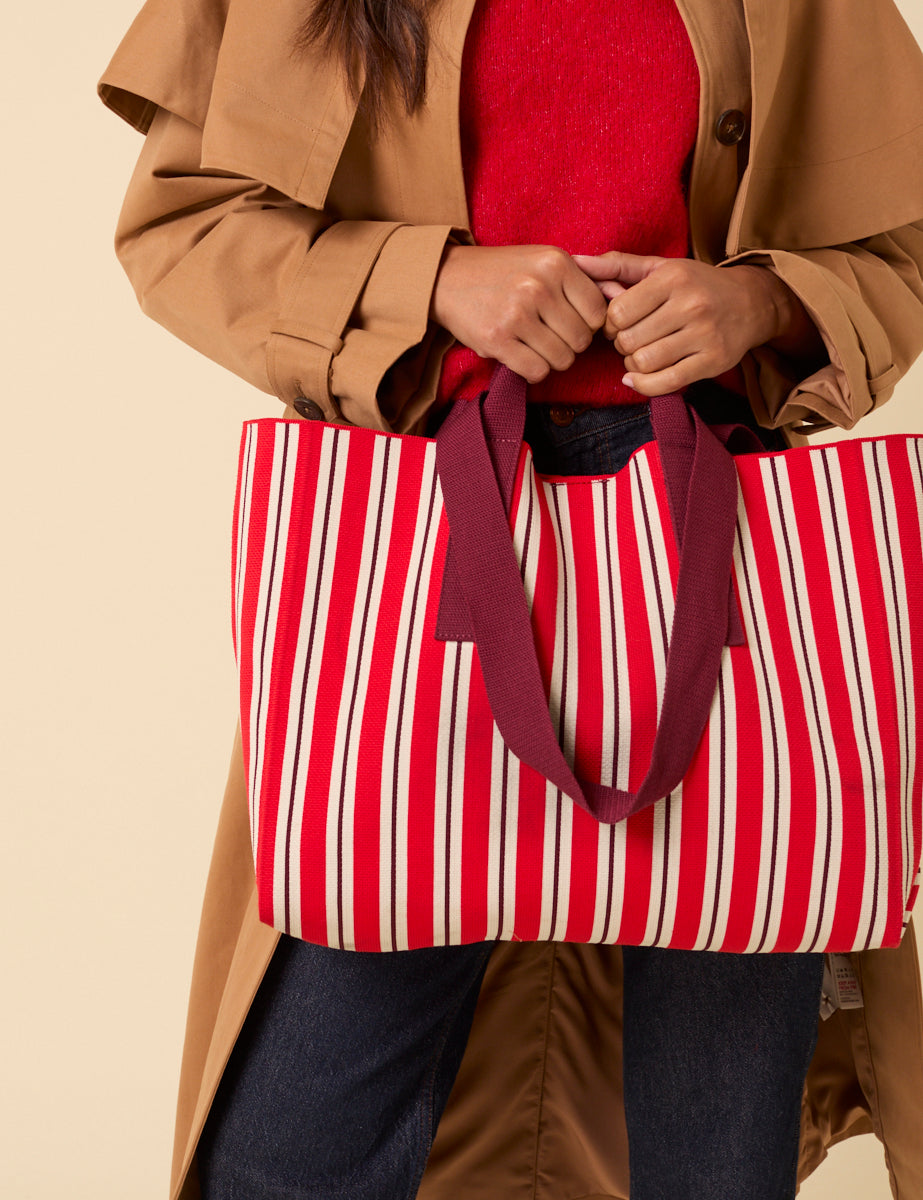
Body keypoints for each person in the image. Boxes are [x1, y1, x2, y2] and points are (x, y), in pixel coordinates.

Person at [98, 1, 923, 1197]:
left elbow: (897, 244)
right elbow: (184, 227)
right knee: (294, 1135)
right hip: (424, 537)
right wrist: (430, 280)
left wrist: (760, 305)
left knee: (717, 1157)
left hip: (727, 560)